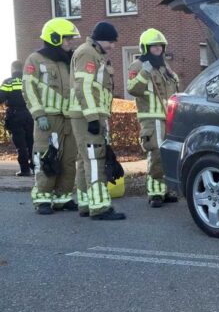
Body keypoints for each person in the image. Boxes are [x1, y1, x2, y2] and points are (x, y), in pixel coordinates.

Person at [21, 18, 80, 214]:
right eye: (67, 38)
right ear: (54, 38)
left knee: (68, 160)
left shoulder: (70, 60)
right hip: (49, 120)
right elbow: (28, 89)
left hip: (69, 119)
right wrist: (39, 114)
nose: (70, 42)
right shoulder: (35, 60)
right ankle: (43, 199)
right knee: (47, 158)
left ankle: (63, 197)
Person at [70, 21, 125, 221]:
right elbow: (83, 86)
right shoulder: (88, 53)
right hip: (88, 116)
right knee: (95, 160)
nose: (113, 45)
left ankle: (86, 203)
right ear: (101, 38)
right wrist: (93, 117)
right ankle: (100, 207)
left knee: (85, 160)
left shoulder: (95, 54)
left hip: (88, 114)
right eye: (111, 41)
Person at [126, 28, 179, 207]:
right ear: (145, 48)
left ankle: (164, 189)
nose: (157, 49)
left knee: (167, 155)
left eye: (160, 46)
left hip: (167, 117)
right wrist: (144, 73)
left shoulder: (165, 68)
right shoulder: (138, 66)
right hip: (151, 118)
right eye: (153, 47)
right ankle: (154, 192)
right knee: (155, 154)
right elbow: (133, 89)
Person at [0, 61, 35, 176]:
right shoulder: (29, 81)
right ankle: (36, 168)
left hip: (15, 116)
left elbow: (1, 97)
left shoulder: (8, 82)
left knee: (21, 144)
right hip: (30, 114)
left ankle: (25, 170)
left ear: (12, 69)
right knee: (31, 142)